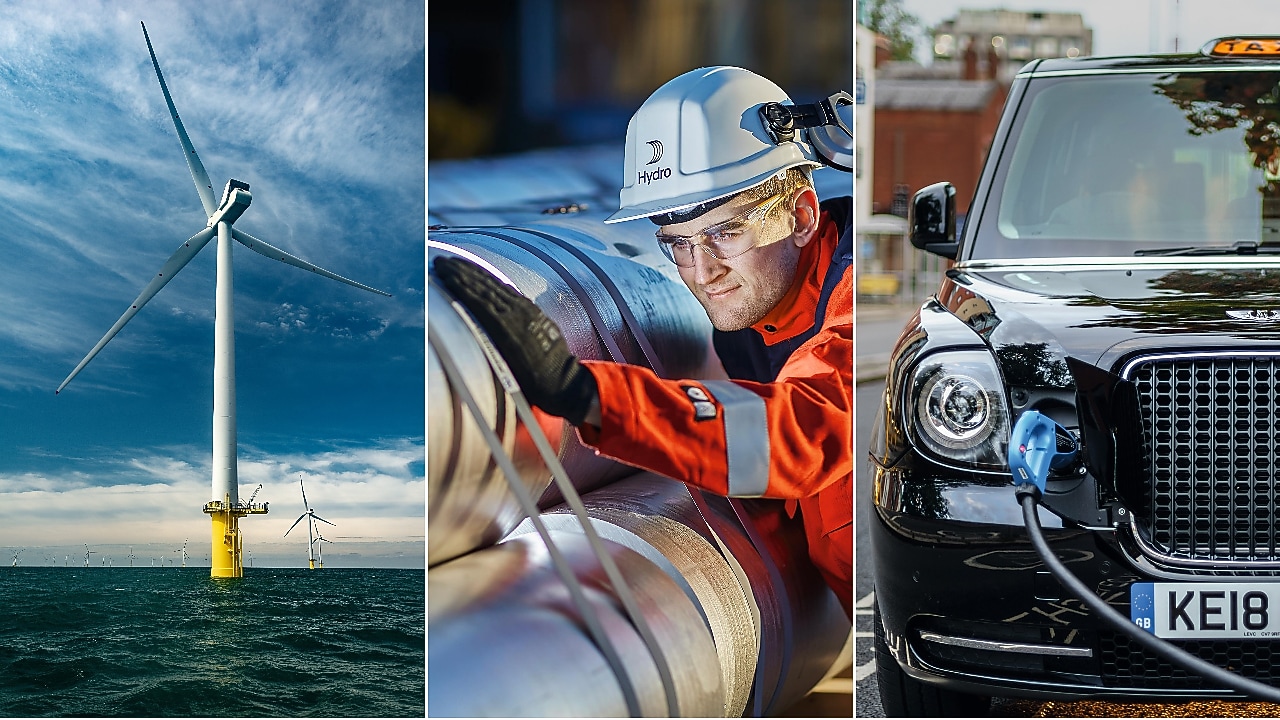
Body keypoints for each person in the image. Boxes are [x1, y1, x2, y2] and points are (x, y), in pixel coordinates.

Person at [435, 66, 852, 617]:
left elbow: (802, 429)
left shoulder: (853, 293)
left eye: (726, 233)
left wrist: (586, 392)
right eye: (677, 244)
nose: (703, 272)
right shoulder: (754, 332)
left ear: (801, 215)